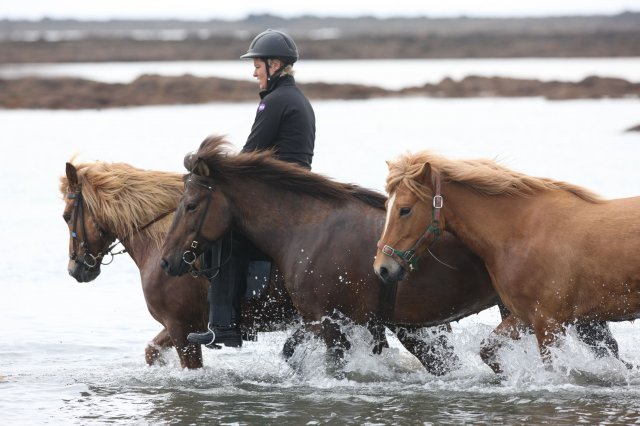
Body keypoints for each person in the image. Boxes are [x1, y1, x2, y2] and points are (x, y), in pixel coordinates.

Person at [187, 29, 316, 348]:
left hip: (278, 198)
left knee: (223, 237)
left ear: (275, 65)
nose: (254, 71)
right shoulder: (295, 99)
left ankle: (223, 325)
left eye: (257, 65)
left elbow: (249, 155)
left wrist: (211, 167)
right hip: (292, 192)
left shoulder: (274, 102)